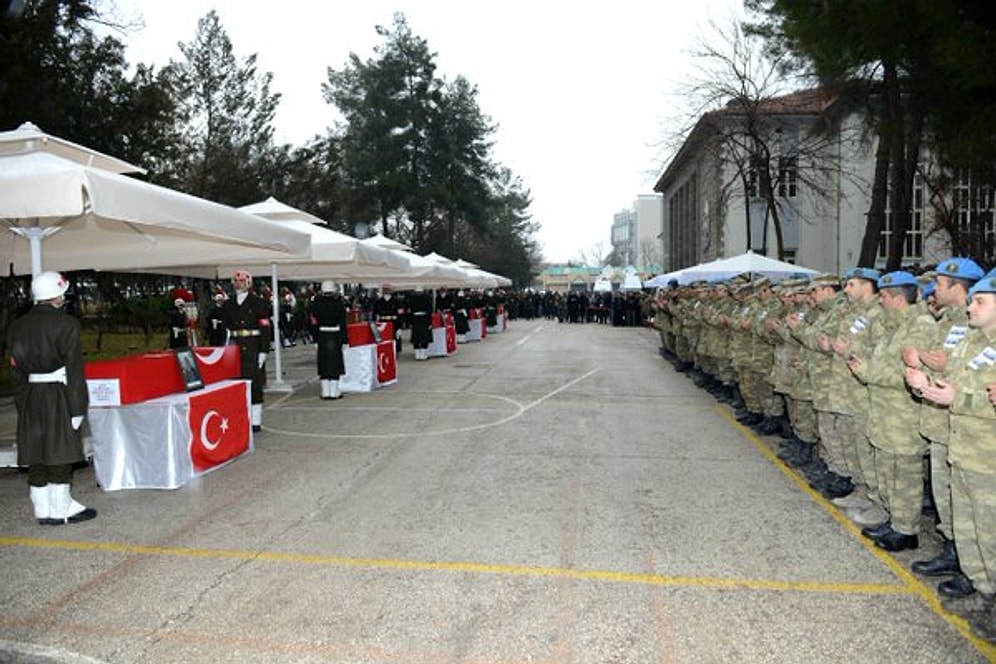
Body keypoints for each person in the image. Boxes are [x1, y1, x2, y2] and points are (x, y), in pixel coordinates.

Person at [909, 268, 996, 639]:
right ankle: (983, 593)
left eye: (980, 301)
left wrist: (957, 396)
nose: (971, 307)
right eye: (972, 299)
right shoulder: (972, 341)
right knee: (970, 529)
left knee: (990, 533)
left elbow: (974, 396)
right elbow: (956, 383)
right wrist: (927, 386)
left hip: (987, 457)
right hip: (963, 449)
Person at [7, 270, 96, 525]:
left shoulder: (17, 326)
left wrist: (23, 402)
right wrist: (78, 407)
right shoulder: (66, 324)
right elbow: (74, 370)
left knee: (36, 449)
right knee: (60, 449)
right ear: (57, 295)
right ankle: (61, 507)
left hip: (31, 393)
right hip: (58, 392)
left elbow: (15, 370)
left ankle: (42, 508)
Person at [220, 270, 271, 432]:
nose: (238, 284)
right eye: (236, 281)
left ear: (248, 283)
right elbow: (224, 328)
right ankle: (241, 418)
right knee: (236, 382)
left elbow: (265, 328)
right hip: (234, 346)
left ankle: (255, 421)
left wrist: (263, 350)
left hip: (252, 346)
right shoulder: (228, 305)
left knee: (254, 383)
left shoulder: (259, 303)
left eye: (241, 281)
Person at [309, 280, 348, 400]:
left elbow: (313, 323)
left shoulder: (315, 304)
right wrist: (345, 340)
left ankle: (325, 392)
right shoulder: (339, 303)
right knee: (335, 363)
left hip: (321, 335)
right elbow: (343, 324)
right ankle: (334, 391)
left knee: (324, 362)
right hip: (335, 335)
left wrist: (314, 339)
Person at [408, 286, 433, 360]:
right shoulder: (427, 299)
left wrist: (410, 322)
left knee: (417, 337)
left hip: (417, 319)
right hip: (423, 319)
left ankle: (419, 355)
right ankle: (421, 355)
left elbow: (410, 312)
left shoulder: (411, 299)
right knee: (422, 337)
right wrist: (430, 322)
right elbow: (430, 311)